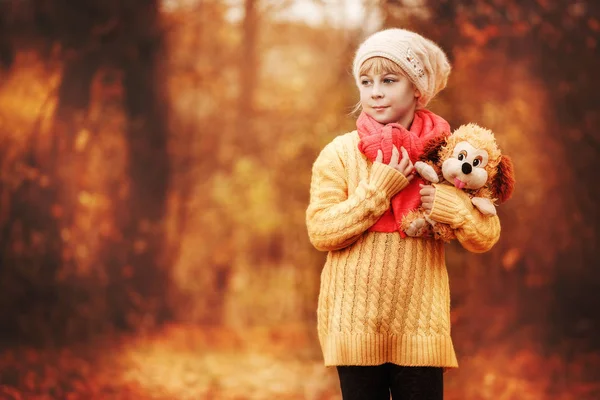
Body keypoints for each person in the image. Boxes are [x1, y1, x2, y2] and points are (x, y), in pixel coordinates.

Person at [305, 28, 501, 400]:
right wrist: (378, 190)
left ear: (417, 89)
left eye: (389, 80)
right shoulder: (341, 154)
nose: (375, 91)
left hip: (421, 329)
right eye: (366, 81)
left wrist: (453, 207)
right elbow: (321, 231)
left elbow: (486, 237)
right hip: (354, 327)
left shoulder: (450, 157)